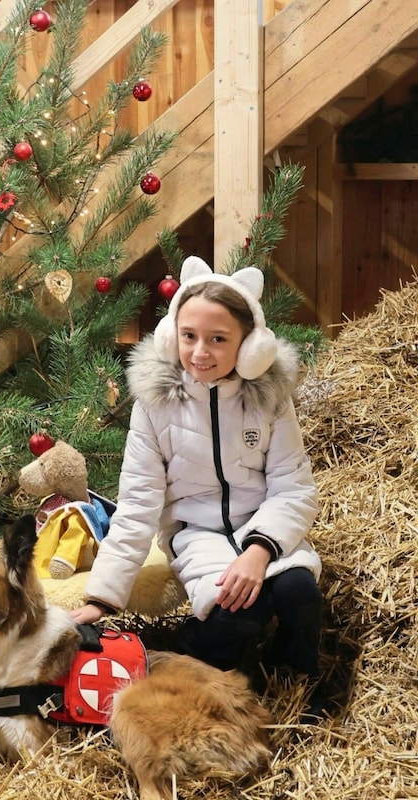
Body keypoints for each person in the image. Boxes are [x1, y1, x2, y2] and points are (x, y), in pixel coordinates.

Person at [71, 255, 325, 715]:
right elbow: (137, 506)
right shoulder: (153, 406)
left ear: (249, 347)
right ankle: (198, 666)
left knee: (298, 593)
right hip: (198, 535)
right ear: (172, 336)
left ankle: (295, 683)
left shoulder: (269, 400)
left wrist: (260, 549)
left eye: (218, 339)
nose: (200, 352)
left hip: (264, 528)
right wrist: (101, 599)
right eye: (188, 337)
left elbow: (294, 488)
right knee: (239, 610)